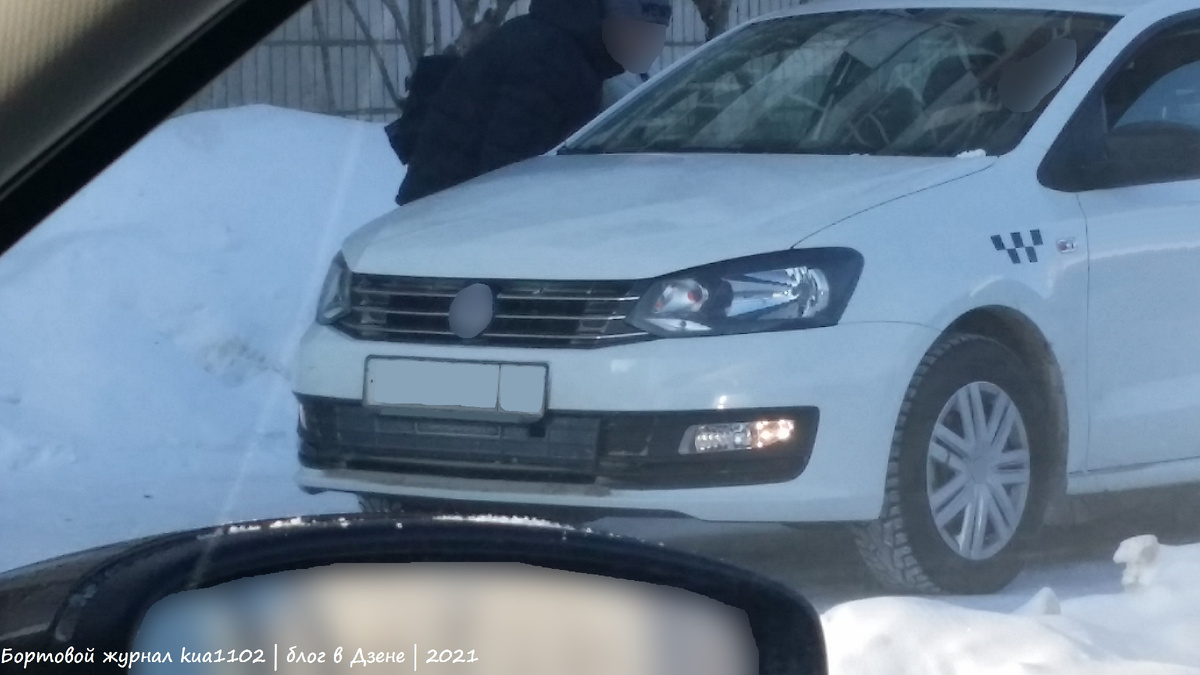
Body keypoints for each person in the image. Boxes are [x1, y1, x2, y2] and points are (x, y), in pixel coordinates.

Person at [395, 0, 672, 206]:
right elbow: (509, 169)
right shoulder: (550, 60)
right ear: (605, 21)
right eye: (639, 31)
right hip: (449, 223)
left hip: (450, 210)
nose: (648, 46)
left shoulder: (566, 50)